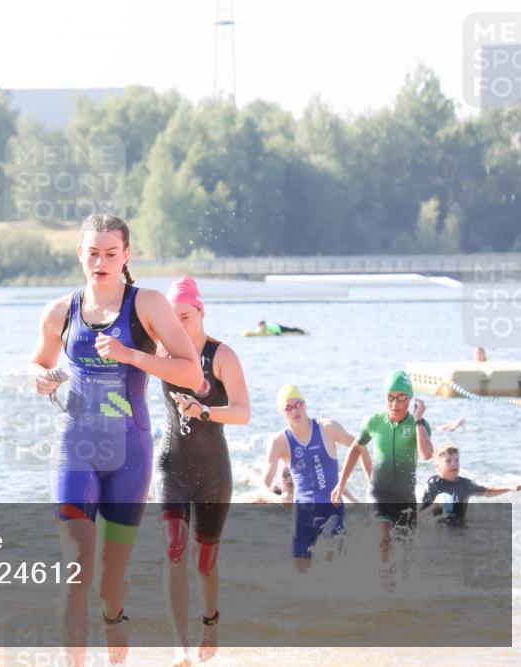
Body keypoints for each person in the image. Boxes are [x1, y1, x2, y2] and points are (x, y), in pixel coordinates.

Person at [28, 214, 202, 666]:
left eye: (110, 253)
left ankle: (114, 616)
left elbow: (191, 372)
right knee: (76, 569)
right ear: (80, 254)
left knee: (109, 581)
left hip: (130, 450)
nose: (100, 261)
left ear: (126, 255)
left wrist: (131, 355)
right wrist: (42, 379)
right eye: (92, 252)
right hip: (75, 447)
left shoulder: (146, 305)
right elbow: (37, 363)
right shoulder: (59, 311)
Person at [155, 276, 250, 665]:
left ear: (201, 312)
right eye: (172, 319)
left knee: (204, 561)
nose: (180, 325)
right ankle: (180, 647)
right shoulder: (161, 351)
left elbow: (243, 413)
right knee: (174, 550)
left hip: (213, 473)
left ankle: (210, 622)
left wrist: (206, 411)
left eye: (186, 316)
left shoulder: (222, 355)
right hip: (172, 466)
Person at [331, 370, 433, 583]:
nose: (395, 403)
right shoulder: (374, 422)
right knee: (384, 538)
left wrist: (419, 420)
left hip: (404, 497)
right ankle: (383, 583)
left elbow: (426, 454)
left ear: (410, 399)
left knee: (406, 557)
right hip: (379, 492)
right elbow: (355, 449)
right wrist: (341, 484)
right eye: (390, 397)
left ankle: (401, 594)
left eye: (401, 398)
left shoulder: (418, 425)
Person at [263, 385, 372, 573]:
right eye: (288, 407)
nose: (295, 410)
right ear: (282, 412)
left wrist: (372, 483)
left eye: (298, 404)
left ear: (305, 405)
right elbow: (263, 486)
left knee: (334, 559)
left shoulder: (327, 428)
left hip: (332, 506)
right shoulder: (279, 442)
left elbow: (360, 447)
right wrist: (277, 498)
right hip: (303, 510)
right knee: (300, 571)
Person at [419, 444, 521, 526]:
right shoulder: (433, 484)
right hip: (437, 529)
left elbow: (488, 491)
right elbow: (419, 517)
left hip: (459, 529)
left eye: (456, 460)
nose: (454, 464)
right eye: (448, 461)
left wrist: (515, 487)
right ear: (437, 466)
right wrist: (435, 505)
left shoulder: (465, 484)